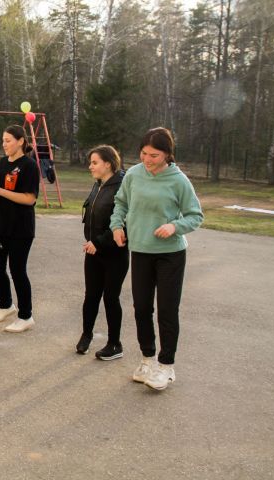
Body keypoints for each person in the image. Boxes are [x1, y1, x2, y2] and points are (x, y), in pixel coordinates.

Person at [110, 127, 203, 390]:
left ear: (167, 154)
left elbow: (195, 215)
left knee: (166, 310)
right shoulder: (134, 175)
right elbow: (121, 203)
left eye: (154, 155)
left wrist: (174, 226)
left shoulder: (179, 180)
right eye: (143, 153)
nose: (147, 159)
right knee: (141, 308)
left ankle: (166, 366)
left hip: (170, 255)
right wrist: (117, 226)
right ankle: (147, 359)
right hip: (140, 251)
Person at [0, 125, 39, 333]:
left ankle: (26, 316)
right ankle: (6, 305)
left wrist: (0, 191)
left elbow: (29, 198)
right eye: (3, 140)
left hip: (20, 228)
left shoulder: (30, 166)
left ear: (21, 141)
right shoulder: (3, 162)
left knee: (17, 271)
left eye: (8, 140)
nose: (4, 144)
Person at [76, 145, 129, 360]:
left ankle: (114, 344)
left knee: (110, 298)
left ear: (108, 163)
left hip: (114, 253)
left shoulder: (122, 186)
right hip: (93, 251)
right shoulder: (98, 184)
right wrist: (92, 243)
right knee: (91, 296)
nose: (91, 166)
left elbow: (123, 222)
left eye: (95, 162)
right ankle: (86, 335)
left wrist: (98, 242)